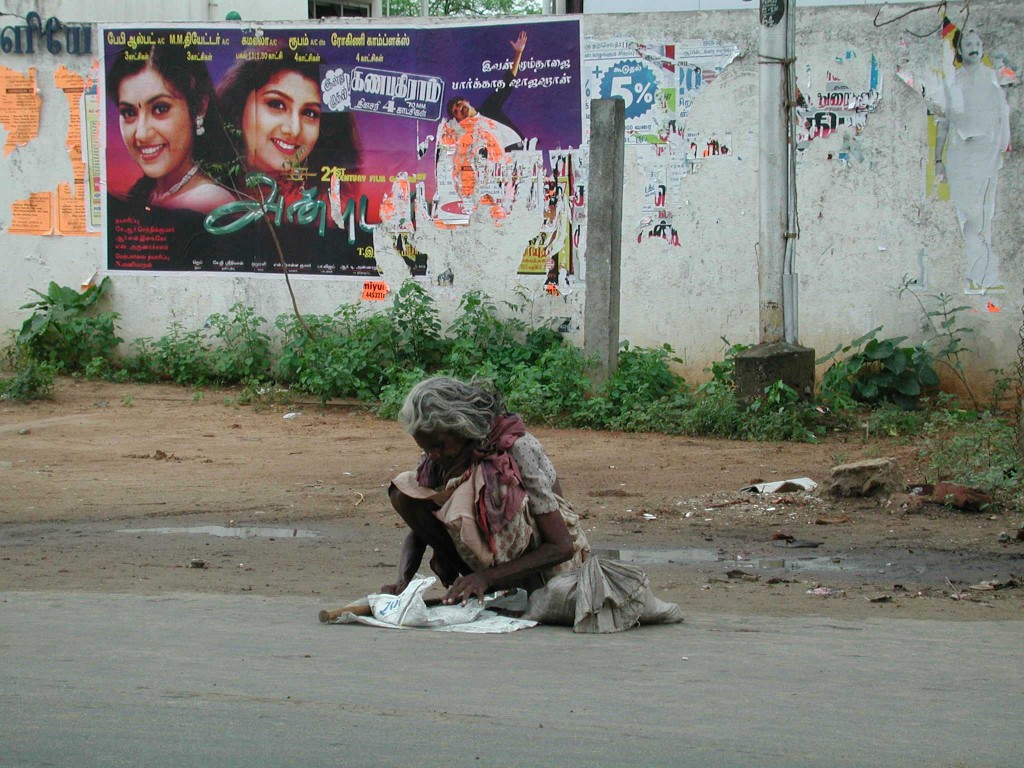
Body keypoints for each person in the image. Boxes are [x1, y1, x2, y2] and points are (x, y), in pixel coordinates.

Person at [384, 376, 590, 604]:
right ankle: (487, 585)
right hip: (487, 569)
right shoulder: (438, 457)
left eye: (438, 445)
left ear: (459, 426)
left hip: (543, 572)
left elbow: (561, 546)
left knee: (491, 492)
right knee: (406, 494)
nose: (432, 455)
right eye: (426, 448)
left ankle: (515, 588)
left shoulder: (517, 448)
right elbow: (421, 525)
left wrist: (486, 577)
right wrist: (403, 582)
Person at [216, 50, 359, 205]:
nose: (294, 129)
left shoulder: (330, 206)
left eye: (310, 113)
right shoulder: (204, 190)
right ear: (240, 105)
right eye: (276, 104)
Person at [107, 44, 235, 213]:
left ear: (199, 107)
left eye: (160, 109)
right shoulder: (148, 193)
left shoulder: (212, 202)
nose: (142, 134)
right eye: (129, 112)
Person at [934, 29, 1012, 290]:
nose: (974, 47)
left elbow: (1003, 116)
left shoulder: (992, 79)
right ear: (960, 49)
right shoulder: (953, 82)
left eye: (978, 43)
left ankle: (985, 275)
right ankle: (972, 273)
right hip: (960, 157)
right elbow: (944, 123)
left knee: (985, 214)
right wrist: (937, 160)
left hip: (986, 156)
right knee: (966, 216)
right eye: (968, 44)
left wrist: (1000, 150)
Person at [445, 30, 529, 152]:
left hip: (522, 148)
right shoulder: (468, 133)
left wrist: (518, 53)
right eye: (456, 111)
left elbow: (507, 84)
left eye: (458, 104)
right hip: (502, 161)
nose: (459, 109)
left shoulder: (489, 107)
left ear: (466, 101)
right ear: (458, 119)